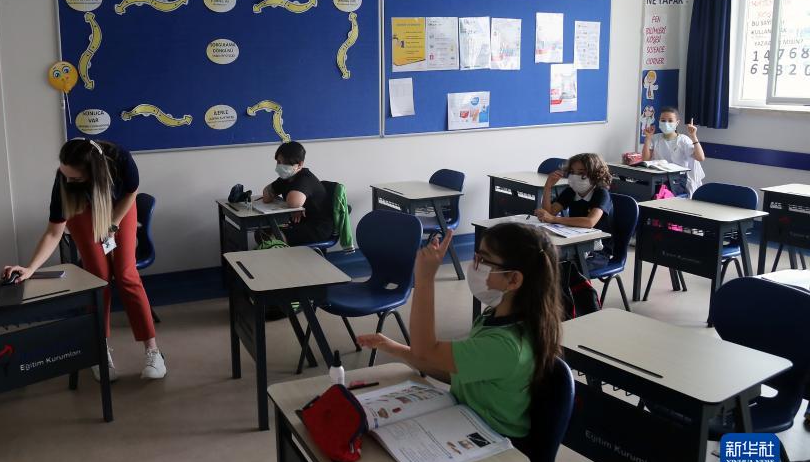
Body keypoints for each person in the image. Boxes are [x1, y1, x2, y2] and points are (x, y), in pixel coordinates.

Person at [357, 225, 562, 439]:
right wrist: (394, 348)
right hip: (467, 419)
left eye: (483, 260)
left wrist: (425, 279)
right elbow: (456, 369)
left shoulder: (505, 345)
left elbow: (425, 350)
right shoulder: (497, 319)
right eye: (476, 257)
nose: (474, 266)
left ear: (514, 280)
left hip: (493, 439)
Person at [3, 138, 165, 381]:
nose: (67, 180)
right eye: (64, 174)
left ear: (93, 172)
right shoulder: (65, 181)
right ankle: (99, 350)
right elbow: (53, 233)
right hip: (82, 208)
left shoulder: (120, 158)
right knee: (98, 278)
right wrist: (30, 268)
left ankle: (153, 351)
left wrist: (113, 224)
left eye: (75, 177)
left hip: (119, 204)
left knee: (126, 274)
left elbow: (131, 191)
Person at [536, 152, 614, 270]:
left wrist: (554, 219)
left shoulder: (601, 193)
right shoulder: (571, 191)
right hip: (574, 243)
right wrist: (548, 187)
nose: (575, 176)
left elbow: (589, 222)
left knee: (557, 267)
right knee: (542, 258)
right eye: (572, 172)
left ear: (596, 174)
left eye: (581, 173)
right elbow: (549, 213)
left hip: (597, 251)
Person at [261, 141, 333, 245]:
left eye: (284, 163)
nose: (279, 166)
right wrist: (295, 208)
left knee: (275, 237)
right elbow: (266, 195)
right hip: (299, 222)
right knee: (262, 232)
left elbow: (293, 203)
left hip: (317, 227)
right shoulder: (286, 177)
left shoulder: (305, 179)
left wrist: (296, 207)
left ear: (299, 165)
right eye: (278, 162)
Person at [642, 106, 705, 195]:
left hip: (677, 180)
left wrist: (693, 136)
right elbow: (645, 159)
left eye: (670, 121)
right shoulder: (655, 138)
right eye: (663, 120)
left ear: (677, 123)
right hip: (658, 178)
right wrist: (648, 138)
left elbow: (700, 157)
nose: (666, 123)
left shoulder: (683, 140)